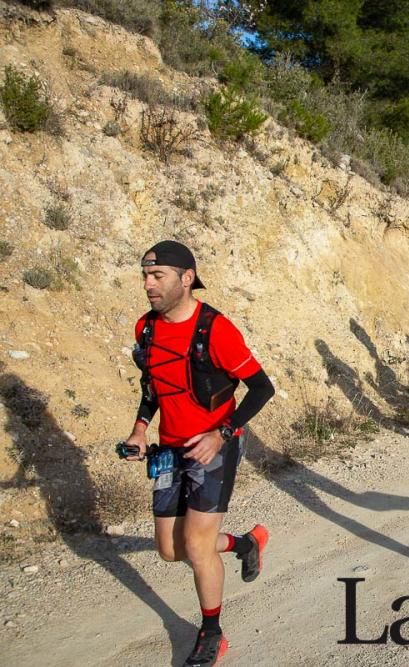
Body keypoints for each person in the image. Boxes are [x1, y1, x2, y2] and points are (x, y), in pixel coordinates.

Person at [122, 241, 275, 666]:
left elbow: (262, 387)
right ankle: (245, 543)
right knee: (171, 550)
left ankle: (212, 633)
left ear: (186, 278)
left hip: (214, 446)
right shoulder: (146, 329)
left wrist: (222, 434)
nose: (149, 285)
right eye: (146, 277)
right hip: (170, 447)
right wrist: (139, 429)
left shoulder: (215, 329)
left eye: (158, 277)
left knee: (196, 542)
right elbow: (153, 386)